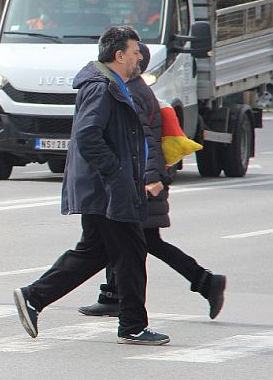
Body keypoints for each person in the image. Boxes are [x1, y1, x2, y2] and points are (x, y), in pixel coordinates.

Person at [13, 26, 170, 345]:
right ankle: (132, 326)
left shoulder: (115, 84)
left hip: (108, 188)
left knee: (96, 251)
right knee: (130, 251)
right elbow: (87, 136)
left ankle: (34, 297)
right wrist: (119, 174)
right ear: (119, 55)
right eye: (135, 51)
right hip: (108, 189)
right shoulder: (102, 86)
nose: (140, 56)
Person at [78, 42, 226, 319]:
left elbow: (144, 141)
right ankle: (114, 295)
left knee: (131, 239)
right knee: (130, 240)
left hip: (143, 182)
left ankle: (205, 281)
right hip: (143, 179)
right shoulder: (134, 90)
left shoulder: (132, 93)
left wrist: (149, 179)